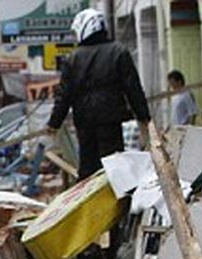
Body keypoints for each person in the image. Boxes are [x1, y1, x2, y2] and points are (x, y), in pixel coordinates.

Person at [48, 8, 151, 181]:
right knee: (115, 168)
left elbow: (64, 96)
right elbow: (133, 89)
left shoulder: (73, 58)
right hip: (111, 120)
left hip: (85, 122)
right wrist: (144, 117)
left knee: (88, 170)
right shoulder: (119, 51)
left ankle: (90, 204)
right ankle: (120, 203)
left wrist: (54, 123)